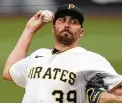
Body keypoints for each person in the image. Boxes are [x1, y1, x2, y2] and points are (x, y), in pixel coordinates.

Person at [2, 4, 122, 103]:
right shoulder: (38, 55)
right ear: (53, 28)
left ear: (81, 32)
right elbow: (8, 72)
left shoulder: (92, 59)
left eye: (74, 21)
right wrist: (29, 29)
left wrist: (104, 97)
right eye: (62, 20)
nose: (67, 25)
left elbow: (119, 94)